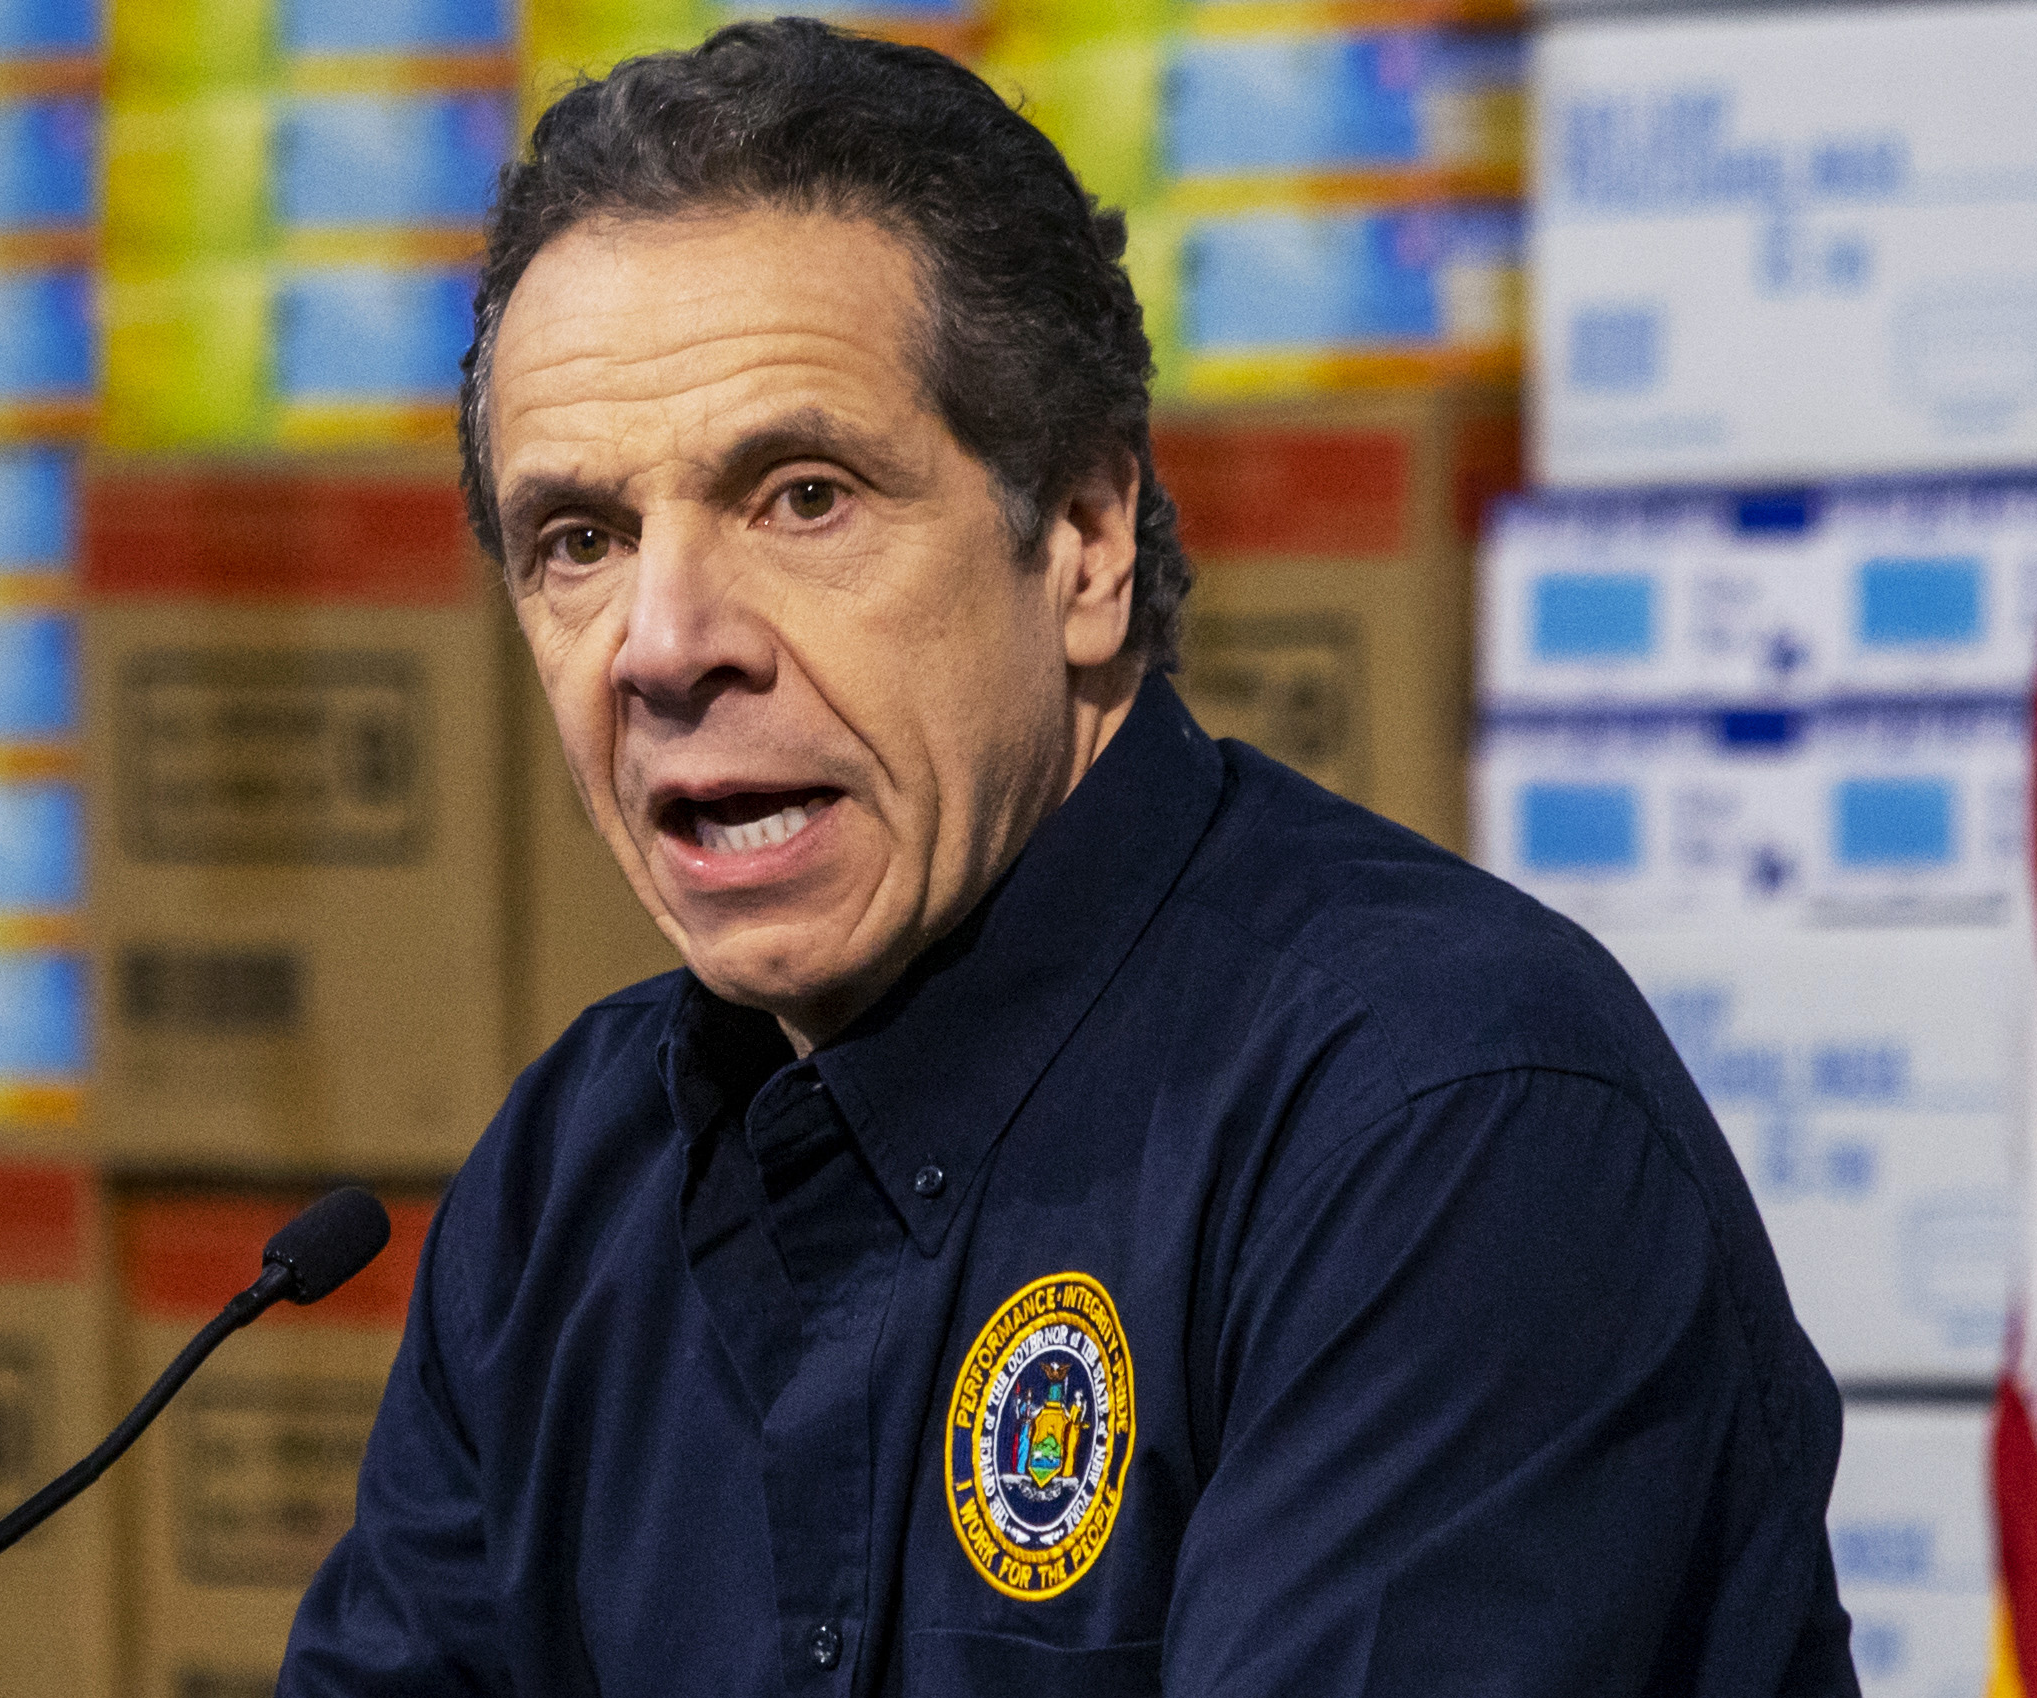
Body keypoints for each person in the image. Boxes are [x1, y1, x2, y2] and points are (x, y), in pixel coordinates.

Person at [279, 19, 1856, 1695]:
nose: (665, 646)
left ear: (1088, 541)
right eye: (578, 540)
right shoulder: (557, 1191)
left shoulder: (1446, 1119)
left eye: (801, 496)